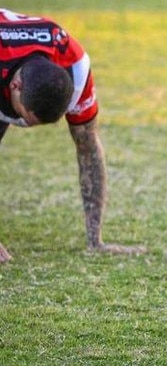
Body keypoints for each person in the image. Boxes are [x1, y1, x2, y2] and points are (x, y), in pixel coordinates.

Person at [0, 8, 145, 263]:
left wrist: (95, 241)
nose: (26, 127)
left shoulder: (76, 67)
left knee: (86, 137)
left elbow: (88, 147)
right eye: (26, 118)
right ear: (15, 86)